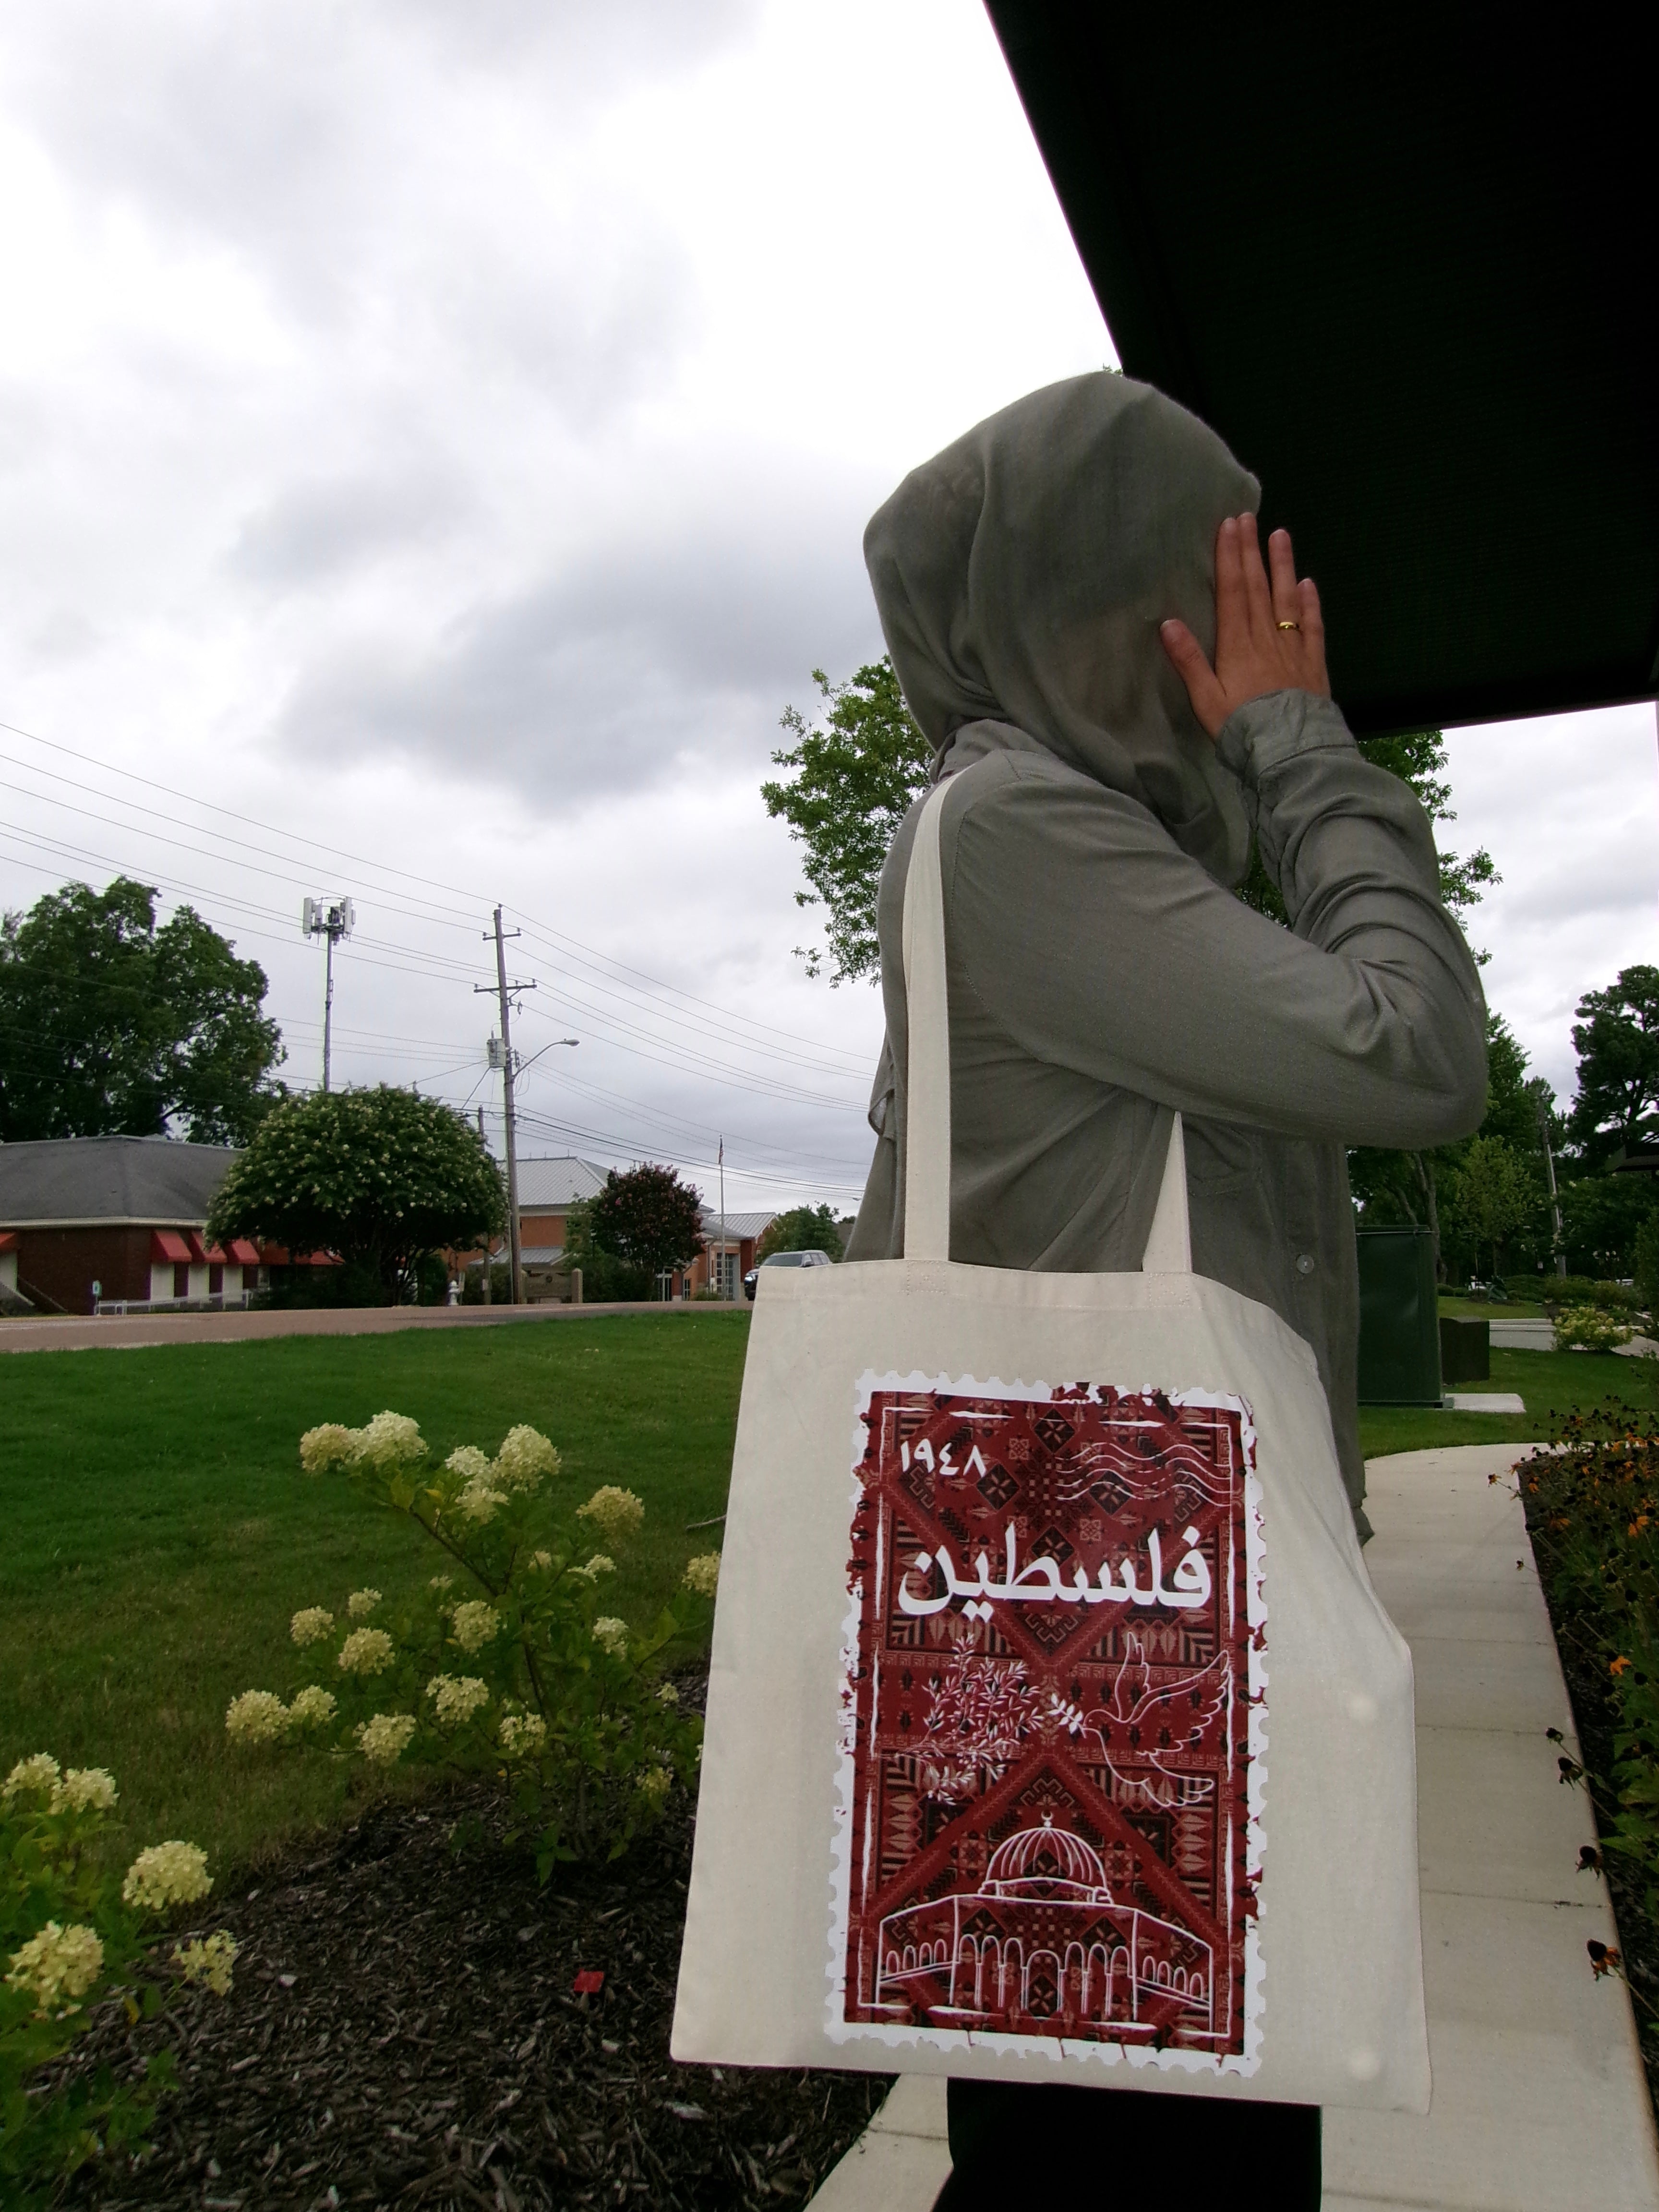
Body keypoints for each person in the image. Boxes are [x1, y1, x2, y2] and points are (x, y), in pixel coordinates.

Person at [843, 372, 1488, 2207]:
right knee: (1141, 2148)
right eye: (1213, 584)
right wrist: (1303, 749)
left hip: (1116, 1614)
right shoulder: (1028, 837)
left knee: (1126, 2125)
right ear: (1111, 606)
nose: (1255, 631)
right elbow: (1419, 1050)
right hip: (1109, 1637)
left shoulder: (1100, 855)